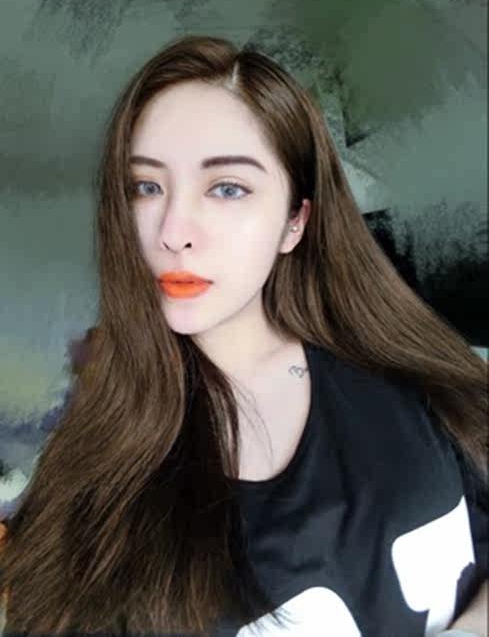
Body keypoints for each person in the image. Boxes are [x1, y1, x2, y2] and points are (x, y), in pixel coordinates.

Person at [0, 34, 487, 636]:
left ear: (294, 222)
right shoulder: (97, 475)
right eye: (146, 187)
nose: (173, 231)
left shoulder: (413, 375)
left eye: (227, 188)